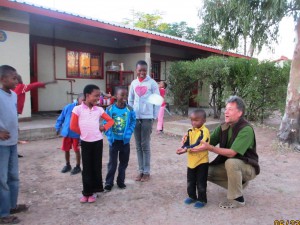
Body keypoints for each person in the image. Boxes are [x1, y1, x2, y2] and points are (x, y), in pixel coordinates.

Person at [191, 96, 259, 209]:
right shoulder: (224, 126)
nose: (226, 112)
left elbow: (232, 153)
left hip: (248, 167)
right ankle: (239, 185)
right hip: (233, 166)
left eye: (230, 109)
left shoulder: (246, 129)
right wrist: (188, 141)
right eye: (226, 109)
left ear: (239, 113)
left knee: (231, 162)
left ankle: (237, 199)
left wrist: (211, 148)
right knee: (202, 169)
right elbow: (206, 141)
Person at [70, 84, 114, 203]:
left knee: (96, 167)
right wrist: (84, 133)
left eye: (99, 96)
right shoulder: (77, 109)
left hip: (97, 142)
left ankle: (94, 191)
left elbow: (111, 121)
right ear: (87, 95)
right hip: (86, 143)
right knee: (87, 168)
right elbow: (73, 126)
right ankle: (86, 192)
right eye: (96, 96)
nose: (98, 98)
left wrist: (104, 127)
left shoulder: (99, 109)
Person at [0, 65, 28, 224]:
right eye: (13, 78)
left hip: (12, 143)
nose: (16, 80)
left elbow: (12, 116)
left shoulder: (13, 95)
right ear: (3, 79)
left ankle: (11, 206)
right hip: (1, 145)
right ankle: (3, 214)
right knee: (2, 179)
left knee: (13, 176)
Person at [128, 60, 160, 182]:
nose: (142, 72)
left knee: (145, 145)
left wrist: (153, 116)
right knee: (137, 146)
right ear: (136, 70)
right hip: (136, 118)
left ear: (147, 71)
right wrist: (131, 114)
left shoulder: (152, 84)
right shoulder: (134, 83)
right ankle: (140, 171)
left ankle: (147, 172)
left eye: (144, 70)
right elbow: (130, 101)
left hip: (147, 118)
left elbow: (157, 101)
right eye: (140, 70)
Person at [103, 87, 136, 191]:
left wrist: (129, 133)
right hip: (114, 141)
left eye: (126, 95)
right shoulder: (109, 109)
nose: (124, 97)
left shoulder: (130, 110)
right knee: (112, 163)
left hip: (125, 142)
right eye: (122, 95)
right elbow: (105, 123)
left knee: (123, 163)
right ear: (116, 96)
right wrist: (109, 135)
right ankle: (109, 183)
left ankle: (120, 181)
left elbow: (133, 122)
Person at [176, 109, 210, 208]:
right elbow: (187, 143)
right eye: (192, 120)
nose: (193, 122)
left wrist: (186, 149)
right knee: (190, 181)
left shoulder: (205, 131)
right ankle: (192, 196)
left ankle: (202, 199)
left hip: (202, 162)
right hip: (191, 162)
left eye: (196, 120)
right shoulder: (190, 131)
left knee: (201, 182)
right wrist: (182, 148)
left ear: (204, 120)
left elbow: (198, 143)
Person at [55, 94, 84, 175]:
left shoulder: (84, 110)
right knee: (66, 149)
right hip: (67, 133)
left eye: (85, 100)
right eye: (82, 100)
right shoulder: (68, 107)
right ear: (78, 100)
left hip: (76, 134)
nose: (83, 102)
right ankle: (68, 165)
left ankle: (78, 166)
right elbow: (61, 117)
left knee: (76, 150)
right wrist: (58, 127)